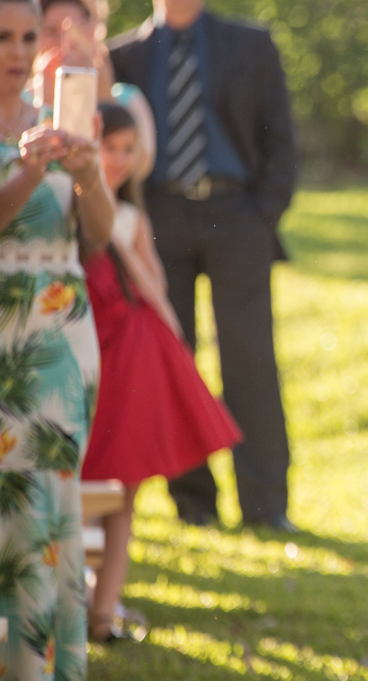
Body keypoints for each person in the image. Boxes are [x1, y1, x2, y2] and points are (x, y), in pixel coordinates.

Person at [108, 0, 298, 531]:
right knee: (174, 359)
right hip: (159, 218)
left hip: (236, 214)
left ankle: (267, 508)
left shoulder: (251, 45)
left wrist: (262, 213)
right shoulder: (123, 56)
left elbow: (281, 138)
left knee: (251, 361)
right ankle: (194, 505)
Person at [80, 102, 242, 642]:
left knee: (121, 488)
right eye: (110, 148)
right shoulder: (69, 210)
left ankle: (104, 612)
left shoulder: (130, 219)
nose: (119, 161)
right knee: (77, 485)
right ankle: (72, 602)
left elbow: (154, 287)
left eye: (128, 150)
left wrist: (173, 334)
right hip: (87, 353)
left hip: (127, 355)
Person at [0, 0, 116, 681]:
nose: (15, 52)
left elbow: (96, 234)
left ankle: (38, 669)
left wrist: (89, 172)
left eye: (26, 37)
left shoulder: (57, 113)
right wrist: (28, 175)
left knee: (45, 502)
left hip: (60, 340)